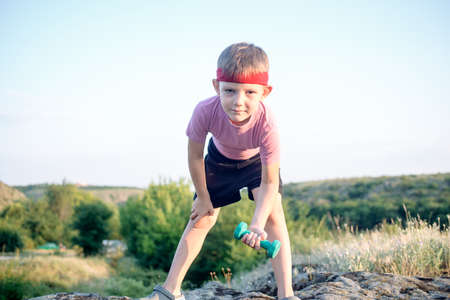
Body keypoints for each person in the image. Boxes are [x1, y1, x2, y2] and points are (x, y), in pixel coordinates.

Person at [143, 42, 299, 300]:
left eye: (250, 92)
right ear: (216, 86)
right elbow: (194, 156)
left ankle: (286, 294)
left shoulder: (268, 124)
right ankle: (170, 291)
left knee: (273, 215)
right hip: (219, 162)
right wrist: (203, 197)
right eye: (230, 91)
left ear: (265, 92)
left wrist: (257, 225)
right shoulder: (205, 110)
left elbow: (270, 183)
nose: (239, 101)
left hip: (255, 164)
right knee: (201, 218)